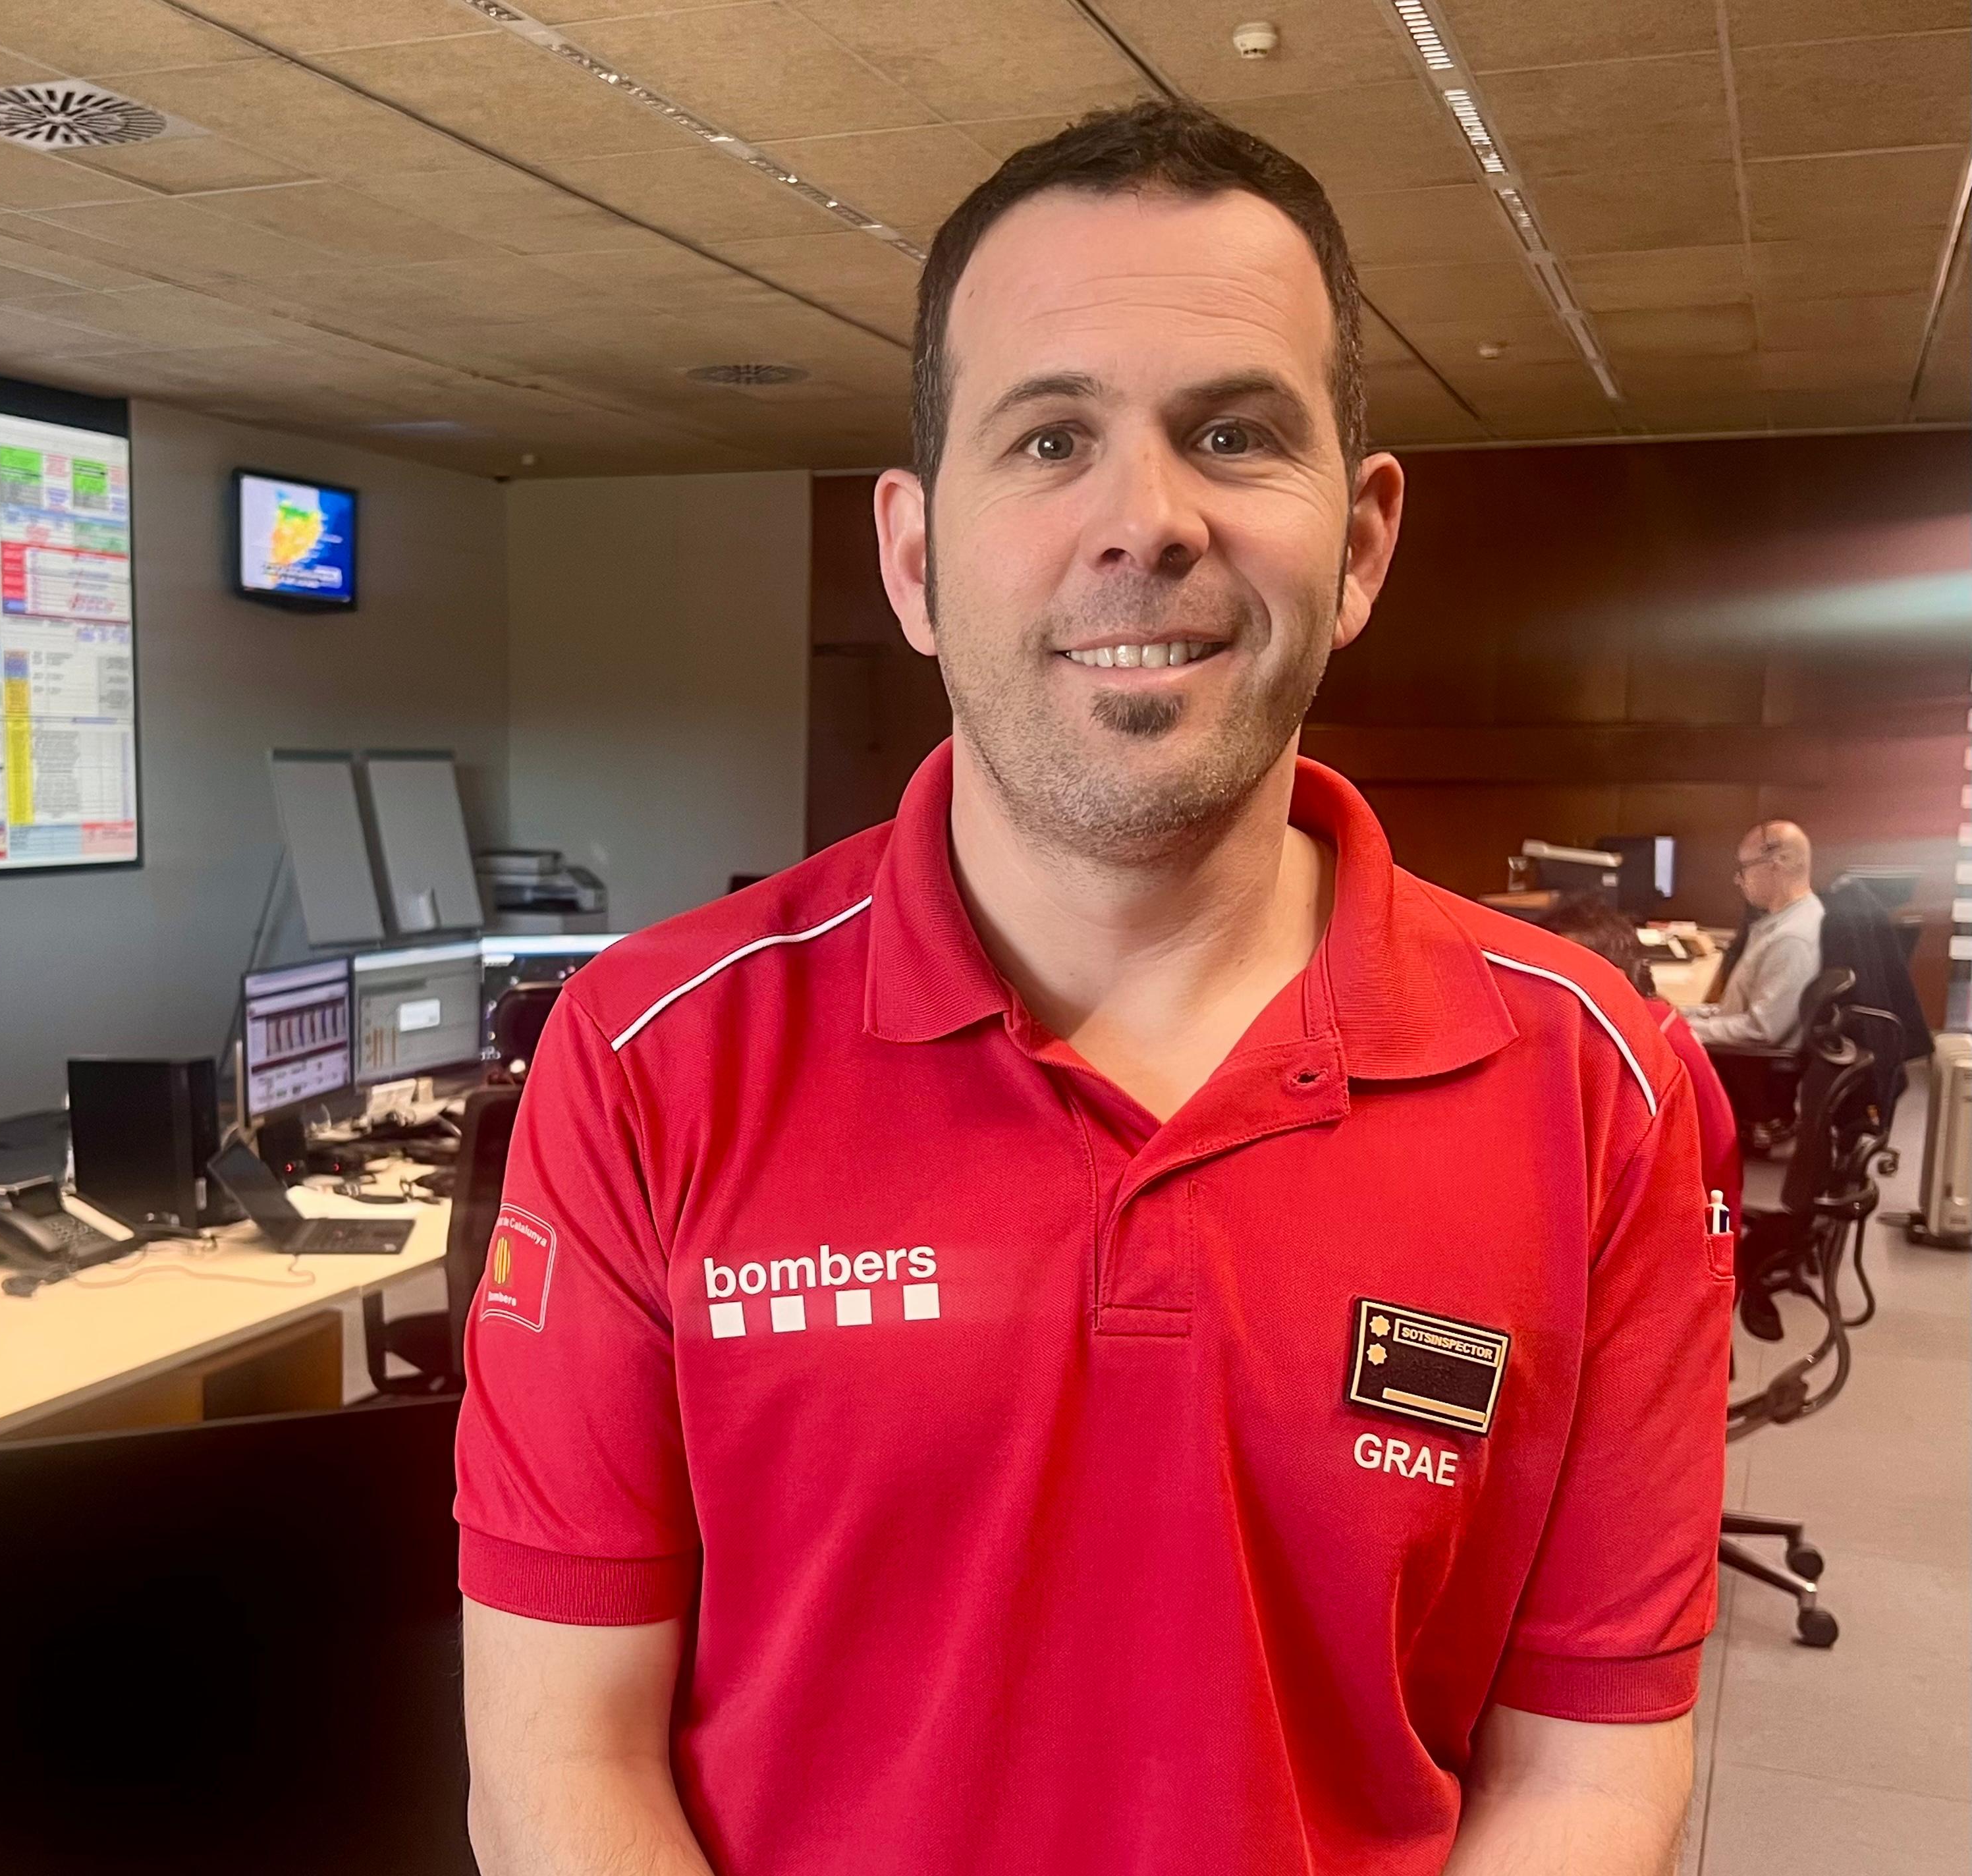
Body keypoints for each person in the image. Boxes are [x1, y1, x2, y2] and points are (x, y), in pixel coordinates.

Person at [456, 101, 1728, 1876]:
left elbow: (1588, 1777)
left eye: (1232, 433)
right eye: (1051, 438)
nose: (1146, 519)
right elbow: (557, 1766)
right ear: (914, 557)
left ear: (1360, 546)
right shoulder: (648, 1058)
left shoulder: (1604, 1089)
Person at [1540, 895, 1743, 1209]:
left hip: (1690, 1213)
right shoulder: (1652, 1017)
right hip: (1706, 1198)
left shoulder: (1636, 1044)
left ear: (1614, 977)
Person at [1685, 822, 1824, 1049]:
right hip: (1741, 1052)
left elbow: (1760, 1031)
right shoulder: (1785, 921)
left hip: (1748, 1064)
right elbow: (1735, 1012)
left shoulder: (1792, 939)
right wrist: (1677, 1015)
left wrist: (1679, 1029)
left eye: (1745, 867)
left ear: (1776, 865)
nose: (1738, 879)